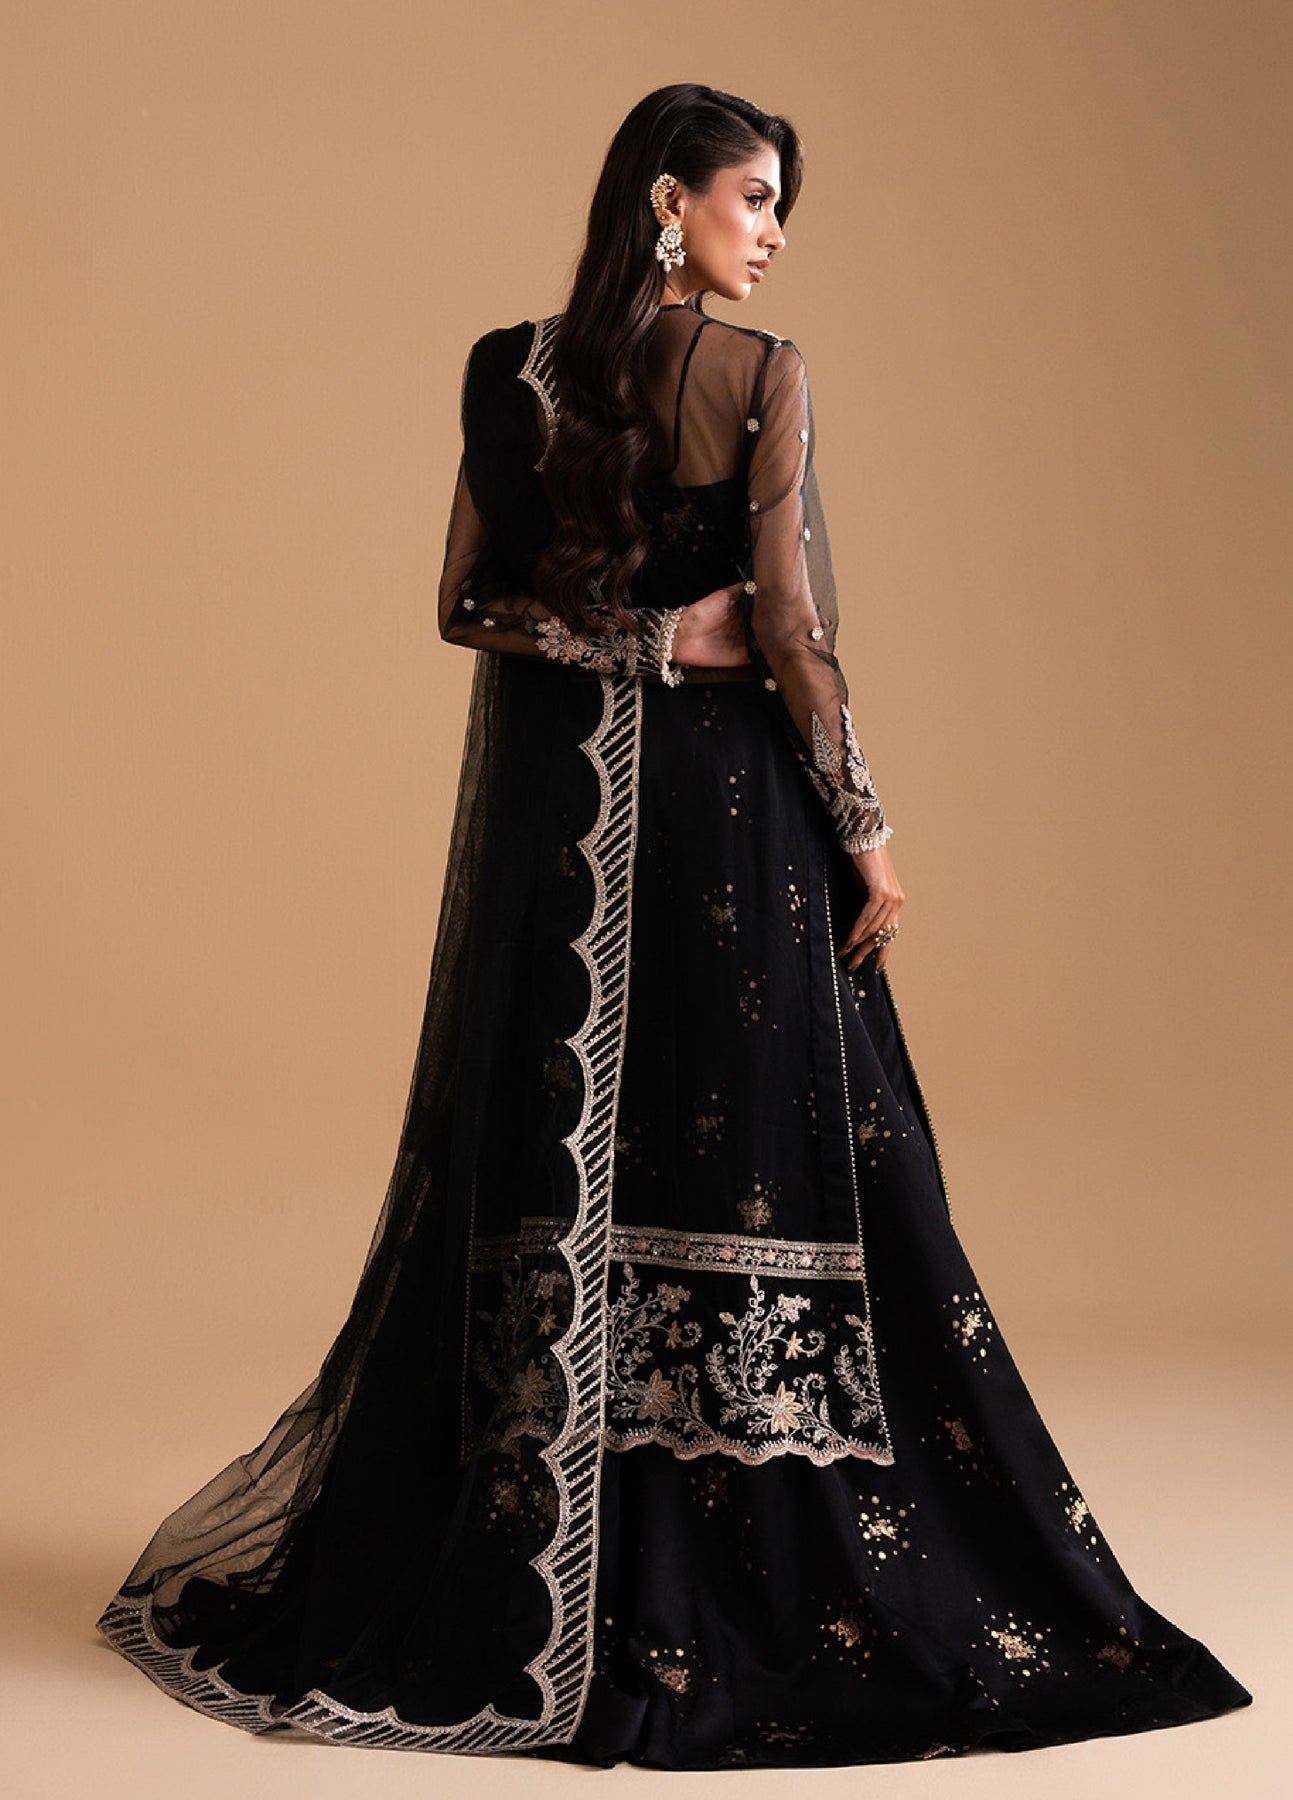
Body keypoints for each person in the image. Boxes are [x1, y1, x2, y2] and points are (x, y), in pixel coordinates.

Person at [93, 82, 1252, 1769]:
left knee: (582, 1140)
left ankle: (559, 1543)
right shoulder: (762, 376)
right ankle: (732, 1562)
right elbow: (790, 632)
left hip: (558, 834)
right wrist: (865, 830)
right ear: (667, 199)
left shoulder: (508, 370)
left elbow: (467, 604)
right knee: (754, 1142)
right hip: (726, 819)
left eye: (778, 208)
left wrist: (611, 644)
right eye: (753, 197)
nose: (768, 234)